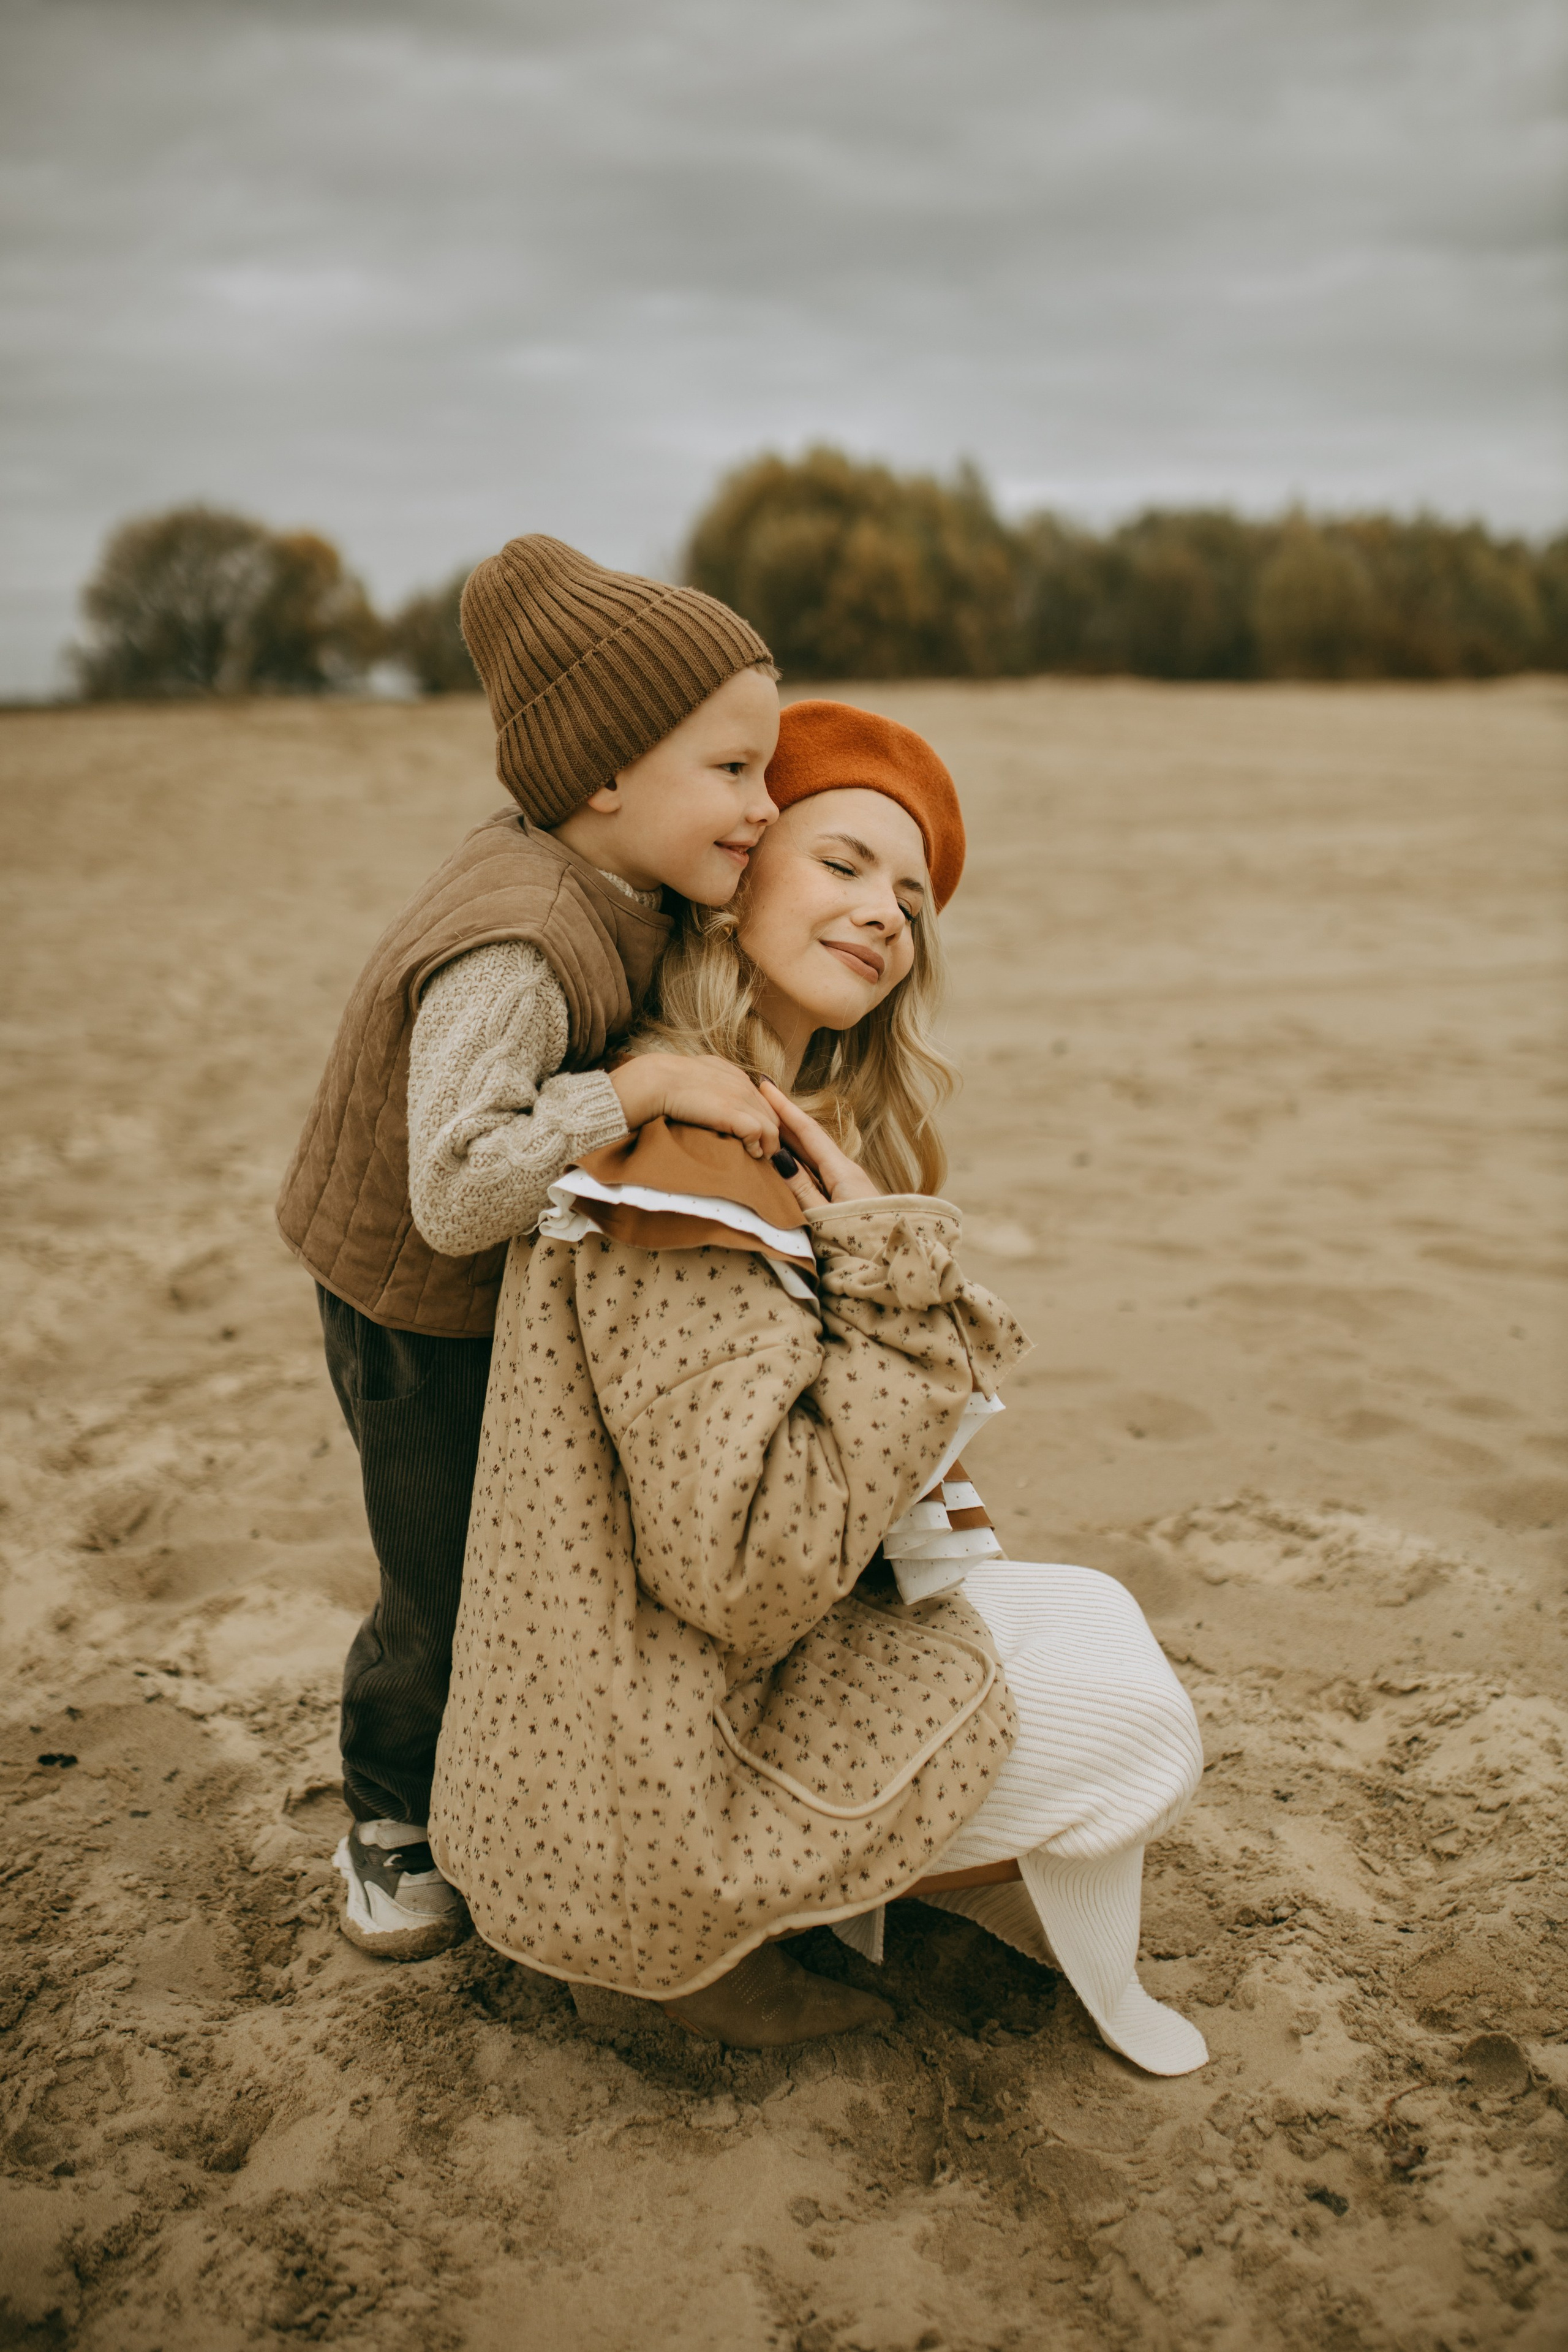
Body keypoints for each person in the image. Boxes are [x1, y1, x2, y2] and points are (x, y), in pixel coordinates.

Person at [428, 699, 1209, 2076]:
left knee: (1093, 1611)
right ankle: (716, 1946)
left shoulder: (743, 1114)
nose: (885, 914)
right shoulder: (683, 1157)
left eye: (910, 897)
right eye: (842, 863)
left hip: (661, 1700)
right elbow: (744, 1569)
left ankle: (830, 1902)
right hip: (651, 1786)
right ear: (734, 881)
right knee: (1140, 1727)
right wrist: (896, 1297)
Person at [275, 535, 790, 1961]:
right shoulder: (519, 940)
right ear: (604, 775)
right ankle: (389, 1817)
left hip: (475, 1276)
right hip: (408, 1298)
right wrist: (636, 1090)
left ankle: (508, 1786)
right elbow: (454, 1186)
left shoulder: (611, 872)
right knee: (441, 1573)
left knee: (525, 1549)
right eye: (732, 770)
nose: (763, 804)